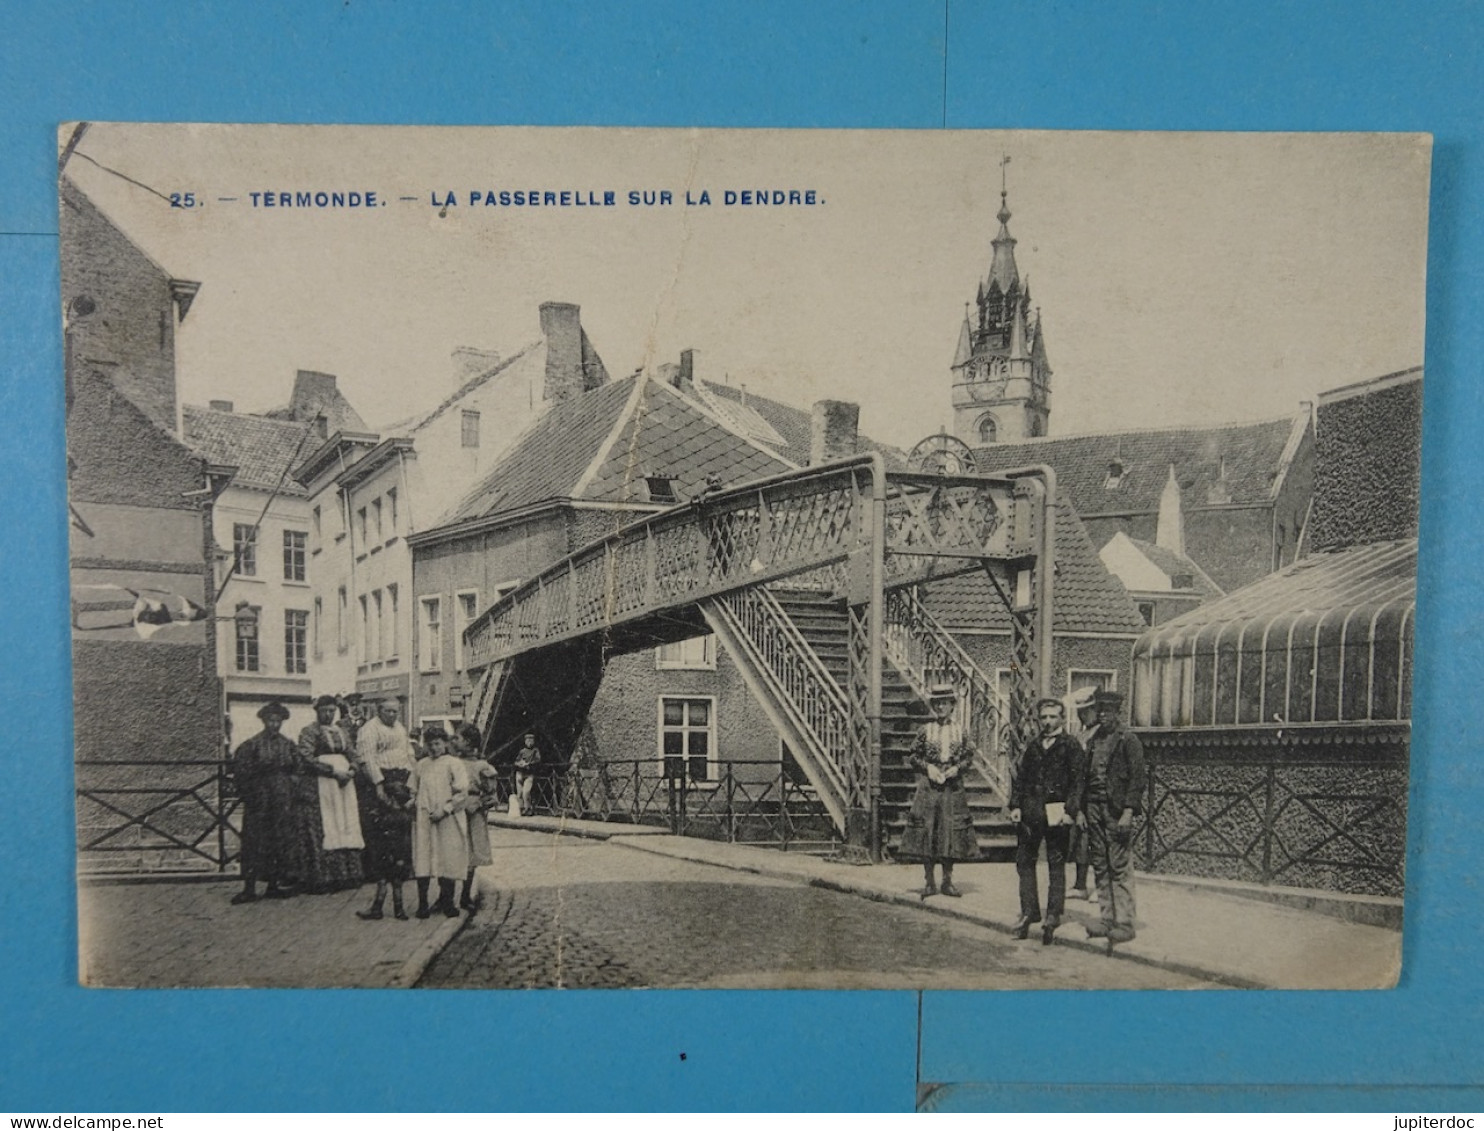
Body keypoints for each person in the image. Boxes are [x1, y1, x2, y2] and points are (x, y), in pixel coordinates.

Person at [1009, 698, 1086, 944]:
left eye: (1053, 717)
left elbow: (1078, 783)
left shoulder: (1071, 746)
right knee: (1024, 861)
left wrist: (1071, 811)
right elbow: (1020, 778)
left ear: (1062, 718)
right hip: (1032, 813)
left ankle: (1053, 914)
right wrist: (1016, 806)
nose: (1048, 722)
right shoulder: (1033, 747)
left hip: (1057, 813)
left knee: (1056, 863)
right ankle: (1029, 911)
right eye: (1043, 717)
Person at [897, 687, 981, 898]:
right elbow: (914, 756)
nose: (941, 707)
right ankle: (929, 880)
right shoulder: (926, 730)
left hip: (952, 786)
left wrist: (956, 769)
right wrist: (929, 769)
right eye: (937, 703)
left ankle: (947, 880)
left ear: (953, 705)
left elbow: (968, 757)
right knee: (929, 829)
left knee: (949, 831)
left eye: (945, 702)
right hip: (930, 785)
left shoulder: (960, 731)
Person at [1078, 689, 1147, 944]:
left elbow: (1138, 779)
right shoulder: (1094, 740)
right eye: (1101, 710)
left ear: (1118, 712)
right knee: (1100, 864)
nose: (1104, 715)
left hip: (1116, 811)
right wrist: (1082, 811)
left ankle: (1125, 923)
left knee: (1119, 866)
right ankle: (1107, 919)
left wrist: (1128, 811)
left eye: (1109, 711)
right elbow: (1085, 778)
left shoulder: (1128, 740)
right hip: (1094, 810)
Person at [229, 701, 302, 903]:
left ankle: (273, 885)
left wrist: (291, 786)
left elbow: (298, 769)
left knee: (279, 841)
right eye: (271, 720)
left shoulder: (288, 745)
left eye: (278, 721)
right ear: (264, 721)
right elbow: (241, 774)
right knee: (254, 841)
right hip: (260, 800)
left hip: (282, 799)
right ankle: (249, 888)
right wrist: (251, 794)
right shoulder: (252, 745)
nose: (274, 725)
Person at [294, 694, 365, 893]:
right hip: (324, 782)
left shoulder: (341, 730)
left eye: (332, 711)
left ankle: (349, 875)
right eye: (324, 711)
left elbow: (353, 752)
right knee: (329, 822)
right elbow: (306, 757)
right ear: (317, 711)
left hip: (345, 783)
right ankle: (326, 877)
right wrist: (332, 771)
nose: (328, 714)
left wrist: (351, 769)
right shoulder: (309, 731)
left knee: (347, 820)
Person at [355, 698, 417, 921]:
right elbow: (367, 759)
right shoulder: (369, 730)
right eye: (388, 711)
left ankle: (399, 906)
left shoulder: (400, 728)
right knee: (380, 844)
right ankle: (378, 904)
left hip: (400, 783)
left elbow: (409, 755)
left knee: (400, 842)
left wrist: (412, 782)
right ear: (378, 710)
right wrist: (378, 785)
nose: (392, 715)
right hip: (380, 785)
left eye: (395, 711)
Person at [410, 726, 469, 918]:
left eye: (437, 743)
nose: (434, 748)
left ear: (445, 743)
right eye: (430, 744)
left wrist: (445, 810)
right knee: (423, 857)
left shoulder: (454, 763)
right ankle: (423, 904)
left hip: (447, 818)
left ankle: (448, 902)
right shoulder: (421, 765)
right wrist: (412, 802)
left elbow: (462, 793)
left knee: (447, 857)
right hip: (425, 817)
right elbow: (413, 789)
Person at [453, 722, 498, 910]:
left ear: (469, 742)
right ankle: (444, 896)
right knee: (450, 851)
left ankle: (465, 896)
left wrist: (480, 803)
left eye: (458, 738)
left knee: (471, 854)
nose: (454, 741)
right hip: (454, 811)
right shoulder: (452, 763)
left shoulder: (481, 765)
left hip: (472, 814)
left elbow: (492, 794)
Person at [1061, 686, 1100, 901]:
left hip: (1095, 794)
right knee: (1081, 842)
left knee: (1098, 842)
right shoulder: (1079, 735)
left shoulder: (1101, 735)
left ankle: (1100, 887)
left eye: (1088, 710)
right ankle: (1080, 884)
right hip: (1080, 794)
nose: (1084, 715)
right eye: (1081, 711)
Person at [513, 731, 541, 816]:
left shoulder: (535, 751)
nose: (529, 742)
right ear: (525, 741)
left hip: (529, 774)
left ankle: (528, 808)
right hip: (520, 773)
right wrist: (519, 763)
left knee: (526, 792)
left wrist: (528, 764)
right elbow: (516, 761)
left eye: (531, 740)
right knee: (520, 793)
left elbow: (538, 760)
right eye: (527, 740)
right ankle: (521, 809)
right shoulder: (522, 751)